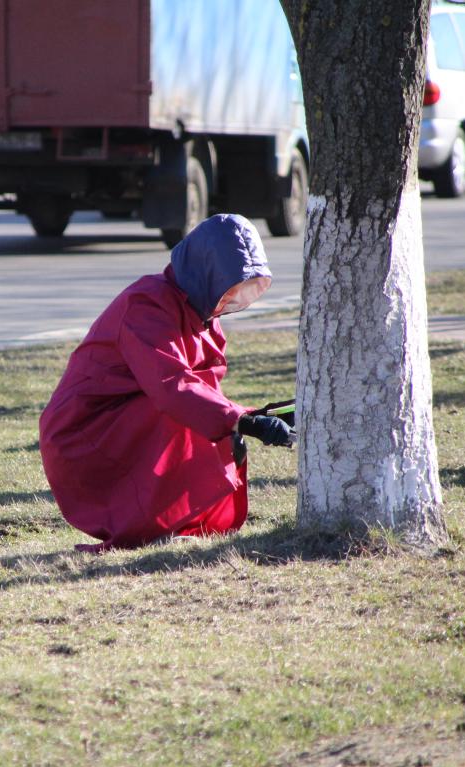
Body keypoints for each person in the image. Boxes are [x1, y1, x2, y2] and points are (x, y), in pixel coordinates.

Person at [39, 214, 295, 553]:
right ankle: (144, 527)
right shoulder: (145, 305)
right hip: (84, 435)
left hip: (124, 425)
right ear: (204, 273)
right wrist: (243, 421)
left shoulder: (202, 318)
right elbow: (172, 388)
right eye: (228, 286)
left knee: (213, 424)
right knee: (196, 422)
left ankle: (176, 523)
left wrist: (259, 415)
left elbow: (203, 393)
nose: (231, 299)